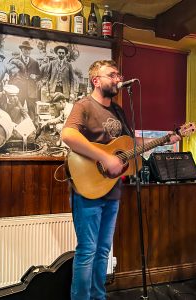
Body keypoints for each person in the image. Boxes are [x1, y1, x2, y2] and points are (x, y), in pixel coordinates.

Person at [61, 60, 181, 300]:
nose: (118, 78)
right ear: (96, 80)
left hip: (112, 189)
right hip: (88, 190)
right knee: (87, 251)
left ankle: (98, 297)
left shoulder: (118, 111)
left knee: (103, 250)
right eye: (111, 75)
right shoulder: (84, 105)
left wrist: (164, 139)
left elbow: (128, 146)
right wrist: (104, 158)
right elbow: (68, 134)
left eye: (118, 74)